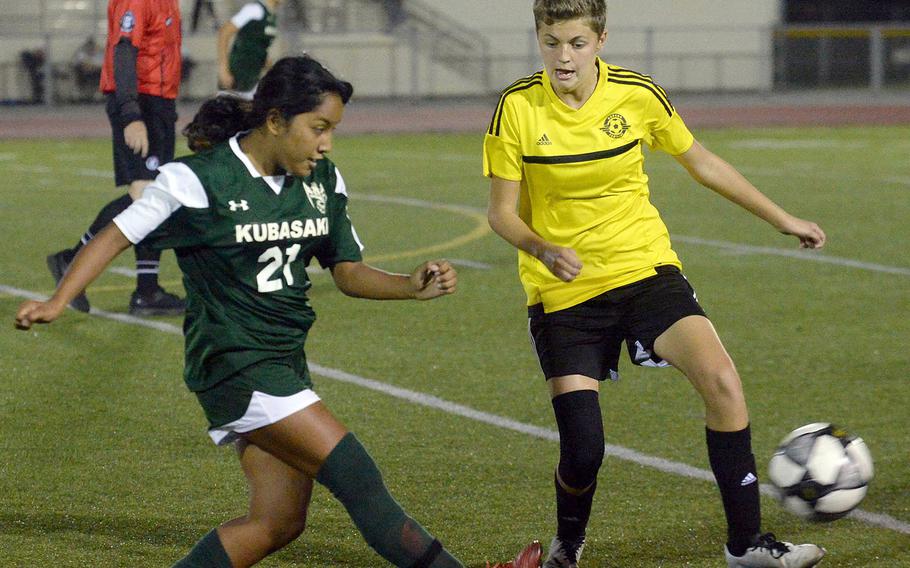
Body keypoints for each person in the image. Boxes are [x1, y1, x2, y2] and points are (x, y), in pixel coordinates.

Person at [16, 55, 540, 568]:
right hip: (235, 364)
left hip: (284, 362)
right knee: (356, 474)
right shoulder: (198, 180)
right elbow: (117, 235)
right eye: (318, 127)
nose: (327, 142)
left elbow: (348, 270)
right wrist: (59, 300)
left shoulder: (321, 181)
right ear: (274, 121)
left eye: (332, 129)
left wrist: (409, 286)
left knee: (277, 522)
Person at [483, 1, 828, 567]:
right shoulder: (517, 107)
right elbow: (501, 212)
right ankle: (568, 546)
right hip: (565, 294)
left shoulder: (637, 93)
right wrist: (542, 248)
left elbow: (701, 162)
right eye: (550, 42)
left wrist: (781, 217)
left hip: (645, 270)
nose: (563, 57)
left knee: (721, 379)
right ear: (538, 39)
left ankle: (746, 547)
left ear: (600, 40)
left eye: (575, 42)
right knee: (584, 451)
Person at [46, 0, 185, 316]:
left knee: (153, 197)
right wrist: (131, 113)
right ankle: (84, 265)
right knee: (147, 197)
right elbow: (124, 51)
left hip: (159, 103)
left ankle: (144, 290)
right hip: (142, 102)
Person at [218, 0, 282, 99]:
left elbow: (258, 45)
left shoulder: (271, 14)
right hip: (237, 74)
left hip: (253, 76)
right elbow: (225, 32)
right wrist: (223, 69)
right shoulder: (254, 10)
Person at [71, 36, 103, 102]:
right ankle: (79, 95)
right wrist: (86, 66)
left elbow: (102, 64)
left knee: (101, 73)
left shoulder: (99, 54)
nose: (90, 48)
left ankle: (97, 94)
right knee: (77, 72)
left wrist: (93, 67)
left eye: (92, 46)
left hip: (96, 73)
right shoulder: (81, 53)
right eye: (89, 46)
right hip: (83, 73)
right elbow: (76, 62)